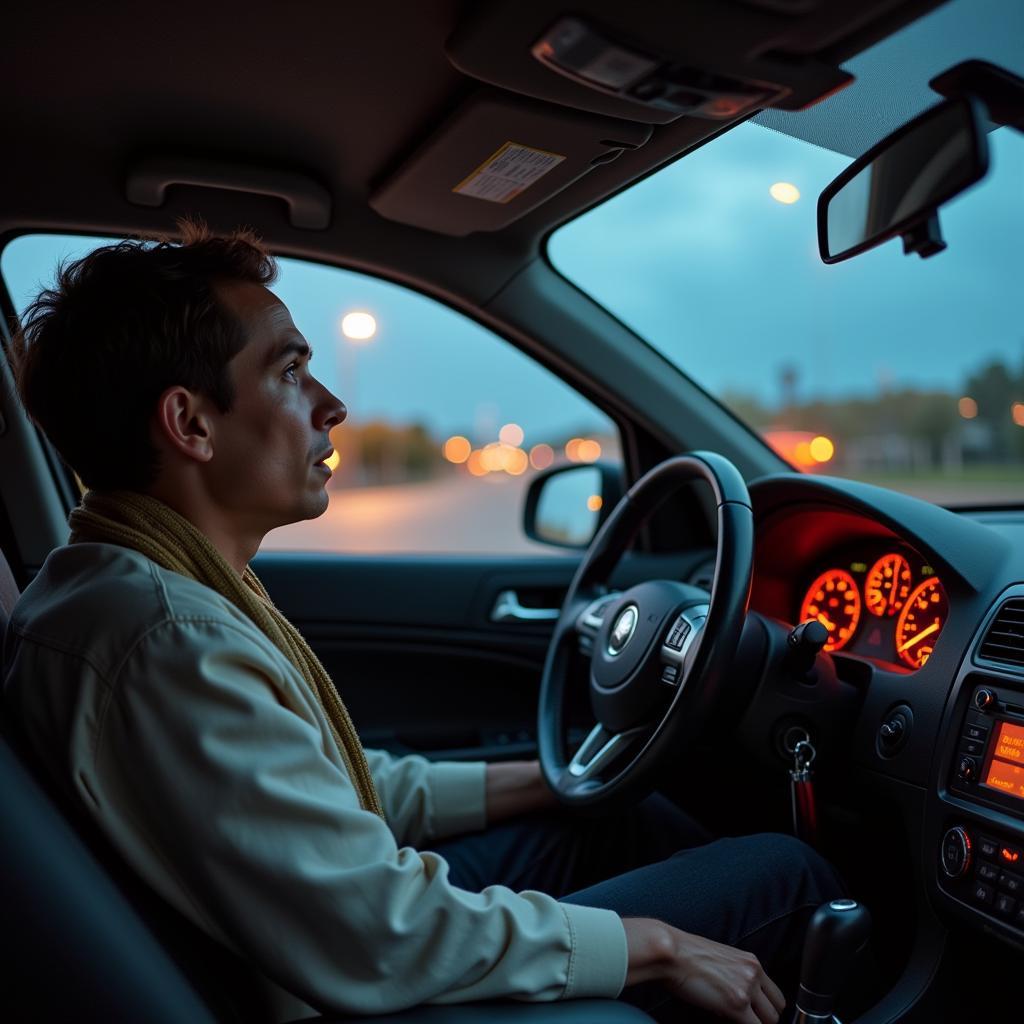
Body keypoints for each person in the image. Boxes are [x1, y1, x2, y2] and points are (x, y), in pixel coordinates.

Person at [2, 221, 843, 1024]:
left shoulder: (136, 587)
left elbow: (331, 793)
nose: (330, 405)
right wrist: (655, 948)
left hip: (318, 948)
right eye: (291, 372)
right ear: (191, 423)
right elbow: (378, 930)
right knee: (786, 874)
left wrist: (548, 778)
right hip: (334, 993)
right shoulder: (162, 637)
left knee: (603, 815)